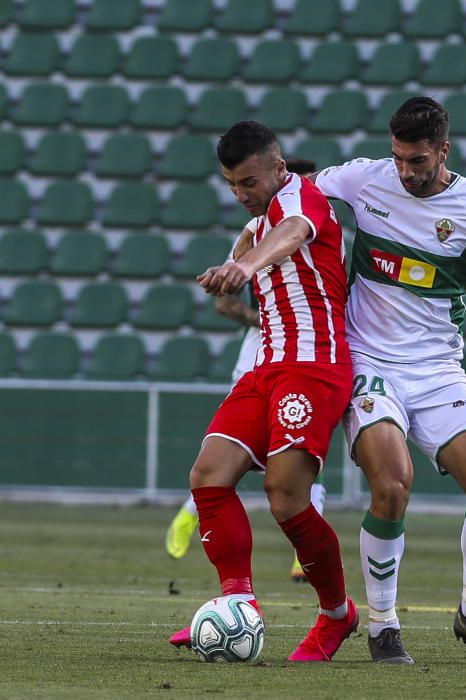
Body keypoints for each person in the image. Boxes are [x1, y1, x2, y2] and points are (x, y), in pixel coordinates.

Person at [309, 96, 466, 665]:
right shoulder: (366, 179)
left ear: (444, 150)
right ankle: (383, 626)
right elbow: (300, 191)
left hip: (438, 369)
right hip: (368, 361)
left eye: (418, 161)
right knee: (391, 485)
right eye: (399, 160)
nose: (406, 173)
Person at [168, 121, 358, 662]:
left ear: (279, 168)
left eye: (249, 181)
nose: (241, 194)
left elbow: (295, 232)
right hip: (267, 366)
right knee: (208, 476)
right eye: (232, 185)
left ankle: (336, 615)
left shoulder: (305, 197)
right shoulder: (260, 221)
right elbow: (257, 239)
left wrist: (244, 264)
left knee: (285, 496)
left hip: (314, 366)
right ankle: (237, 606)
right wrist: (236, 257)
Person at [164, 159, 327, 584]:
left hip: (306, 358)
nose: (304, 193)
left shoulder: (320, 228)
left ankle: (304, 568)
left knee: (296, 467)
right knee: (237, 461)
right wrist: (271, 319)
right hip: (263, 357)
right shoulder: (259, 231)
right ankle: (191, 515)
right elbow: (225, 301)